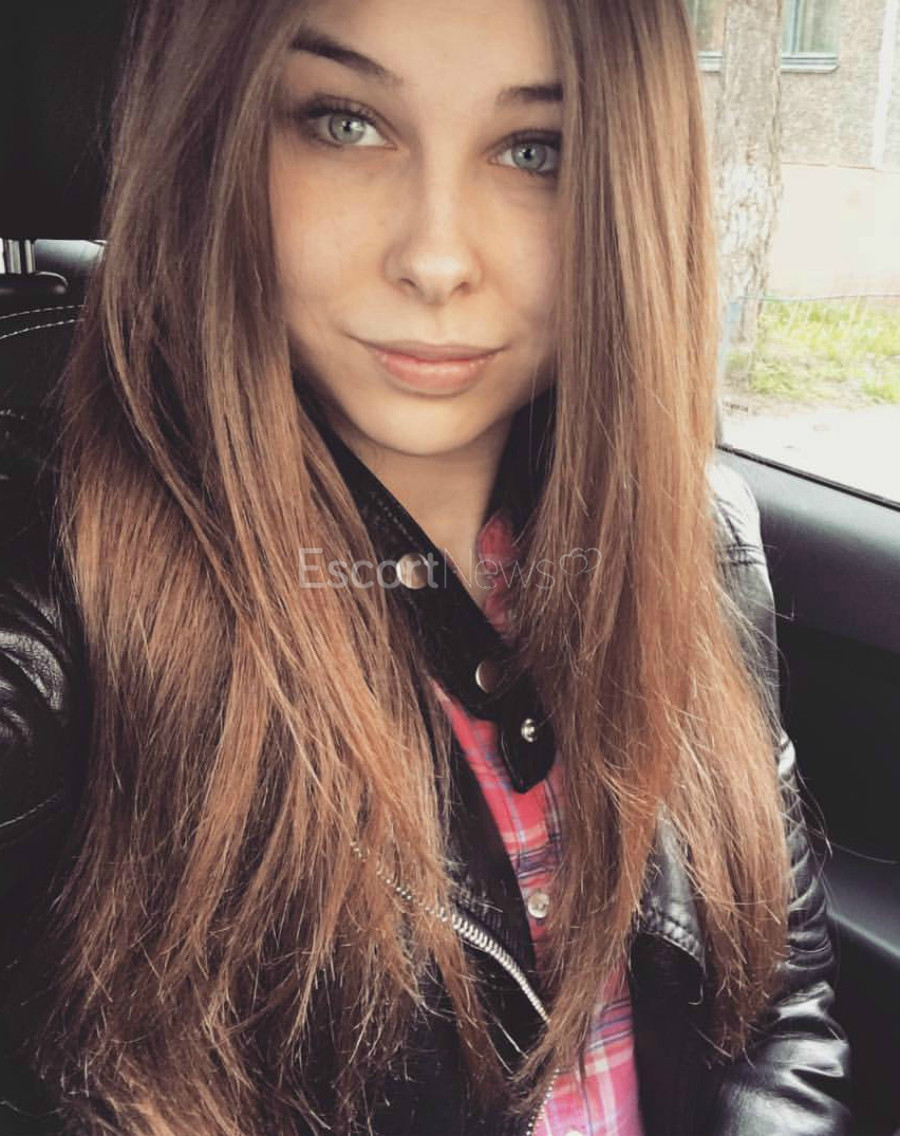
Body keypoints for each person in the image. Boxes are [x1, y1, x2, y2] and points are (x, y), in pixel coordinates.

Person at [0, 0, 852, 1134]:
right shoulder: (62, 588)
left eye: (536, 149)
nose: (437, 258)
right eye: (344, 122)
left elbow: (777, 1002)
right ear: (214, 135)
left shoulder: (697, 537)